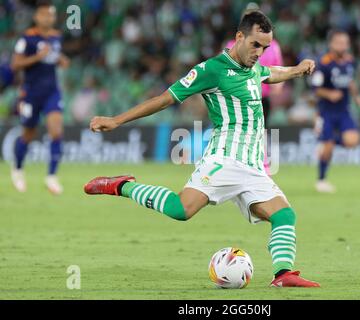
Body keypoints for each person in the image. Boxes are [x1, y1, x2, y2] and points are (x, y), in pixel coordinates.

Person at [84, 11, 320, 288]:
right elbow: (164, 99)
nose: (260, 52)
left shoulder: (253, 68)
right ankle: (122, 185)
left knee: (284, 215)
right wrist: (116, 120)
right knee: (181, 210)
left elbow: (270, 74)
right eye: (256, 45)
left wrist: (296, 69)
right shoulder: (211, 70)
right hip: (224, 159)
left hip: (253, 166)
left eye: (265, 47)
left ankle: (283, 275)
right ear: (239, 37)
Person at [10, 1, 70, 194]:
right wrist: (38, 56)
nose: (48, 18)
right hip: (31, 93)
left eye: (51, 15)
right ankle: (18, 169)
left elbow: (56, 58)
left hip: (52, 92)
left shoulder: (56, 37)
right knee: (28, 134)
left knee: (56, 130)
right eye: (45, 15)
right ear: (36, 17)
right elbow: (15, 65)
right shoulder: (27, 38)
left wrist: (61, 60)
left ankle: (51, 176)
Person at [225, 8, 284, 175]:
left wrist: (277, 86)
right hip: (239, 96)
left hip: (261, 96)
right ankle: (244, 165)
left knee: (259, 130)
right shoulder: (232, 44)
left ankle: (261, 165)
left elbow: (276, 67)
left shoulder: (272, 46)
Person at [311, 30, 360, 193]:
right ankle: (321, 180)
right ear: (331, 44)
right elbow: (315, 89)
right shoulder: (324, 63)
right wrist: (329, 94)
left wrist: (356, 96)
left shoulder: (349, 62)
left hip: (344, 111)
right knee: (327, 149)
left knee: (353, 140)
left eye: (345, 43)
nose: (343, 46)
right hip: (326, 112)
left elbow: (350, 81)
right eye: (339, 42)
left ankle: (330, 141)